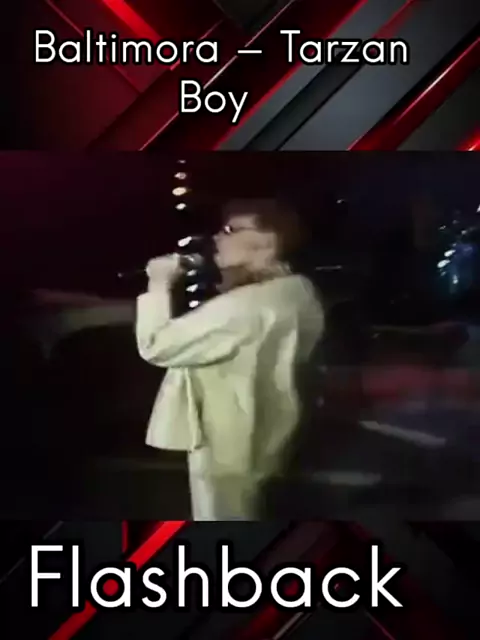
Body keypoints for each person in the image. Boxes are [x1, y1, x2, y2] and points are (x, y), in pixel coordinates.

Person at [135, 198, 325, 520]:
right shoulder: (299, 291)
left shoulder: (242, 308)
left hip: (227, 436)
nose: (217, 238)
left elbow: (155, 345)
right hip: (277, 423)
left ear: (268, 243)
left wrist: (158, 283)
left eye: (230, 230)